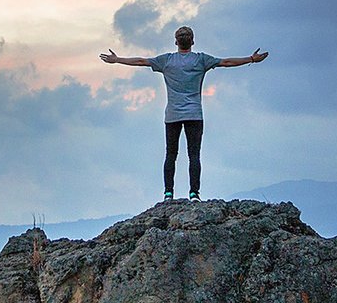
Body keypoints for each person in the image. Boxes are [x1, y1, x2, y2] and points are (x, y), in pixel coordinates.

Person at [101, 26, 269, 202]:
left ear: (176, 42)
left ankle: (168, 194)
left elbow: (141, 61)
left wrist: (117, 59)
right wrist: (251, 59)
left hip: (173, 115)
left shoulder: (166, 61)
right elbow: (226, 62)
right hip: (194, 114)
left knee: (170, 155)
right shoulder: (201, 60)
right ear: (193, 41)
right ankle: (194, 193)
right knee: (194, 155)